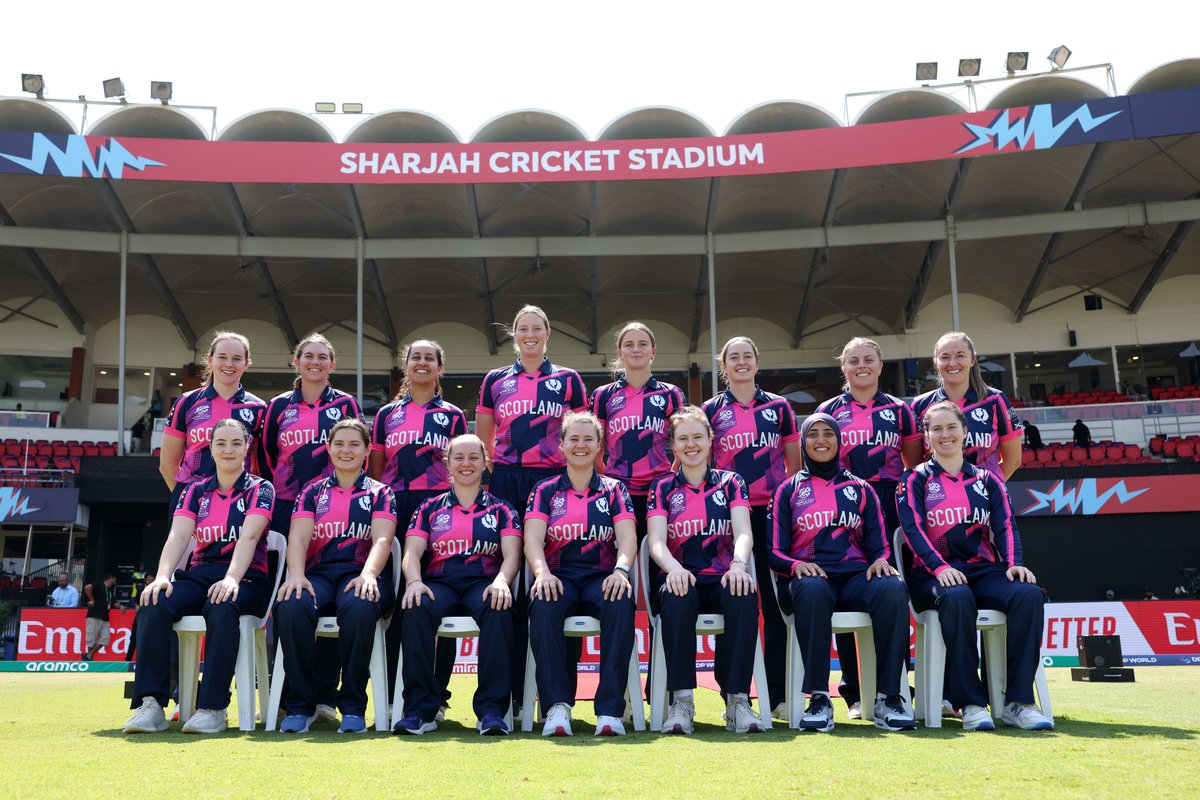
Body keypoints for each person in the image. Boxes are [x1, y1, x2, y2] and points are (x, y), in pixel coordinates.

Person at [897, 400, 1052, 731]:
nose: (945, 434)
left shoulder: (987, 479)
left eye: (951, 427)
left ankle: (1018, 702)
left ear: (965, 432)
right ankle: (970, 703)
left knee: (1029, 595)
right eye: (936, 429)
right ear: (926, 438)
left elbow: (1006, 525)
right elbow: (912, 531)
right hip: (931, 576)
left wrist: (1014, 564)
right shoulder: (913, 480)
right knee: (957, 597)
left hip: (983, 571)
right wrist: (939, 567)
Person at [123, 418, 275, 734]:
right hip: (200, 575)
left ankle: (213, 708)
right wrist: (163, 576)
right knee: (155, 602)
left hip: (246, 579)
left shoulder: (260, 488)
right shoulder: (194, 491)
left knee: (221, 605)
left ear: (247, 447)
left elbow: (248, 539)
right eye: (221, 443)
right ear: (211, 448)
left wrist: (232, 579)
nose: (228, 449)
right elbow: (178, 537)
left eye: (236, 443)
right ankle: (151, 705)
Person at [768, 412, 915, 733]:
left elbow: (881, 546)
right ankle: (820, 698)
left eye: (828, 433)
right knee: (811, 588)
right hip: (810, 581)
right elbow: (774, 553)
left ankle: (889, 696)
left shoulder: (861, 489)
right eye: (813, 434)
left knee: (892, 587)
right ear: (803, 442)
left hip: (854, 580)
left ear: (839, 440)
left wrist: (881, 560)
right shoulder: (787, 490)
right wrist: (797, 566)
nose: (821, 440)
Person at [475, 304, 587, 710]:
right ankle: (515, 695)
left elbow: (580, 434)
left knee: (555, 580)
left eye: (537, 328)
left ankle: (556, 696)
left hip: (557, 479)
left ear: (548, 332)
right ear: (514, 335)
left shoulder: (569, 380)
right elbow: (486, 437)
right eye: (522, 328)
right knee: (512, 582)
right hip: (508, 479)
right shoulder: (495, 381)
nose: (530, 334)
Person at [815, 336, 922, 719]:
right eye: (853, 360)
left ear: (880, 365)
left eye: (869, 359)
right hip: (839, 513)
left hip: (888, 510)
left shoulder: (900, 411)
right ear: (843, 367)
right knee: (843, 593)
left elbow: (911, 462)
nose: (862, 366)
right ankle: (855, 690)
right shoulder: (829, 410)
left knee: (888, 595)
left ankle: (894, 687)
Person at [261, 332, 364, 721]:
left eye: (323, 357)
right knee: (288, 599)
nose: (316, 362)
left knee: (336, 600)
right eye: (309, 356)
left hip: (338, 505)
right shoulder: (277, 407)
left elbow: (354, 450)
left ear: (332, 364)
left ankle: (325, 695)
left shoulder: (345, 404)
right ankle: (287, 694)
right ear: (296, 362)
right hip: (290, 509)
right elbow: (267, 455)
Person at [274, 419, 398, 734]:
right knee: (291, 604)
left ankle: (354, 707)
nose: (346, 450)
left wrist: (370, 574)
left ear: (368, 450)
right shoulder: (312, 492)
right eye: (339, 444)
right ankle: (300, 705)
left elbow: (383, 539)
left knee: (359, 605)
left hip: (361, 574)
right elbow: (298, 538)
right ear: (328, 449)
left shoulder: (381, 493)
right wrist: (296, 575)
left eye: (354, 444)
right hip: (319, 575)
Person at [395, 434, 522, 736]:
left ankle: (492, 711)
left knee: (499, 606)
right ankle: (420, 710)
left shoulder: (502, 509)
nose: (467, 464)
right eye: (459, 458)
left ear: (485, 462)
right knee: (416, 605)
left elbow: (513, 554)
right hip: (440, 582)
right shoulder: (428, 508)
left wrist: (503, 581)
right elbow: (412, 552)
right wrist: (414, 582)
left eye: (474, 457)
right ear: (447, 463)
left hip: (484, 582)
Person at [647, 406, 765, 735]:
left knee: (743, 594)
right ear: (672, 444)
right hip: (682, 577)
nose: (691, 444)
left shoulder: (731, 482)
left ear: (711, 440)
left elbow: (743, 532)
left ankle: (737, 700)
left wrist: (739, 566)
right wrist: (673, 568)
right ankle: (682, 701)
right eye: (683, 438)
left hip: (724, 576)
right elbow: (655, 541)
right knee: (677, 596)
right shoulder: (662, 488)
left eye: (698, 436)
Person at [702, 336, 800, 715]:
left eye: (747, 356)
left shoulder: (779, 407)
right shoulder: (710, 410)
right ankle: (733, 693)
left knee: (775, 606)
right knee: (736, 598)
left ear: (757, 363)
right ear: (723, 366)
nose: (741, 362)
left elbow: (793, 465)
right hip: (727, 518)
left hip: (772, 517)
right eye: (733, 357)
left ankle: (776, 694)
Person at [370, 339, 467, 718]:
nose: (423, 363)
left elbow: (463, 463)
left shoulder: (453, 415)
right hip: (397, 507)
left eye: (430, 357)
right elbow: (376, 469)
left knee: (439, 597)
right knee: (399, 602)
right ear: (405, 366)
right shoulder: (387, 415)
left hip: (442, 509)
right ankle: (399, 691)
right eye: (416, 357)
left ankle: (437, 693)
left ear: (440, 367)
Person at [525, 412, 637, 736]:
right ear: (560, 445)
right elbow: (532, 539)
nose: (581, 445)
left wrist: (621, 570)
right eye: (573, 438)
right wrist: (542, 573)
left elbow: (628, 537)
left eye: (589, 439)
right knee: (543, 604)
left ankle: (610, 710)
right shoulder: (545, 490)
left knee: (620, 600)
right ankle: (557, 707)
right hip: (558, 576)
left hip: (601, 576)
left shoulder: (615, 490)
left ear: (600, 445)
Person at [591, 321, 686, 539]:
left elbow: (685, 440)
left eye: (642, 344)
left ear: (653, 351)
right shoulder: (603, 395)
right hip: (618, 490)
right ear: (620, 352)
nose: (636, 349)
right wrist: (610, 477)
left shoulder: (671, 394)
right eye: (629, 344)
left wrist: (671, 473)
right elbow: (596, 446)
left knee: (658, 554)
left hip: (661, 489)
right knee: (622, 552)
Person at [160, 331, 268, 520]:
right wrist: (188, 497)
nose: (229, 364)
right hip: (191, 501)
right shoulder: (187, 401)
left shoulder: (258, 408)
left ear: (247, 363)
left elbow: (258, 464)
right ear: (210, 360)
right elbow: (167, 465)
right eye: (222, 357)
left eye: (237, 358)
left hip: (240, 501)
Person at [911, 332, 1023, 481]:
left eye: (960, 355)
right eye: (945, 357)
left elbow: (1013, 459)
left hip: (985, 499)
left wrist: (989, 488)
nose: (952, 363)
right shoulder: (920, 405)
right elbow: (915, 464)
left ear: (972, 360)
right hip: (937, 500)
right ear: (936, 362)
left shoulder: (995, 400)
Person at [82, 573, 120, 660]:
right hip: (94, 615)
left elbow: (114, 603)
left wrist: (121, 606)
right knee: (91, 639)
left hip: (105, 618)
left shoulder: (109, 591)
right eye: (115, 579)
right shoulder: (100, 584)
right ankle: (89, 658)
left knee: (105, 638)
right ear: (111, 578)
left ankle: (89, 655)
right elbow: (87, 587)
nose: (116, 581)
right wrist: (92, 599)